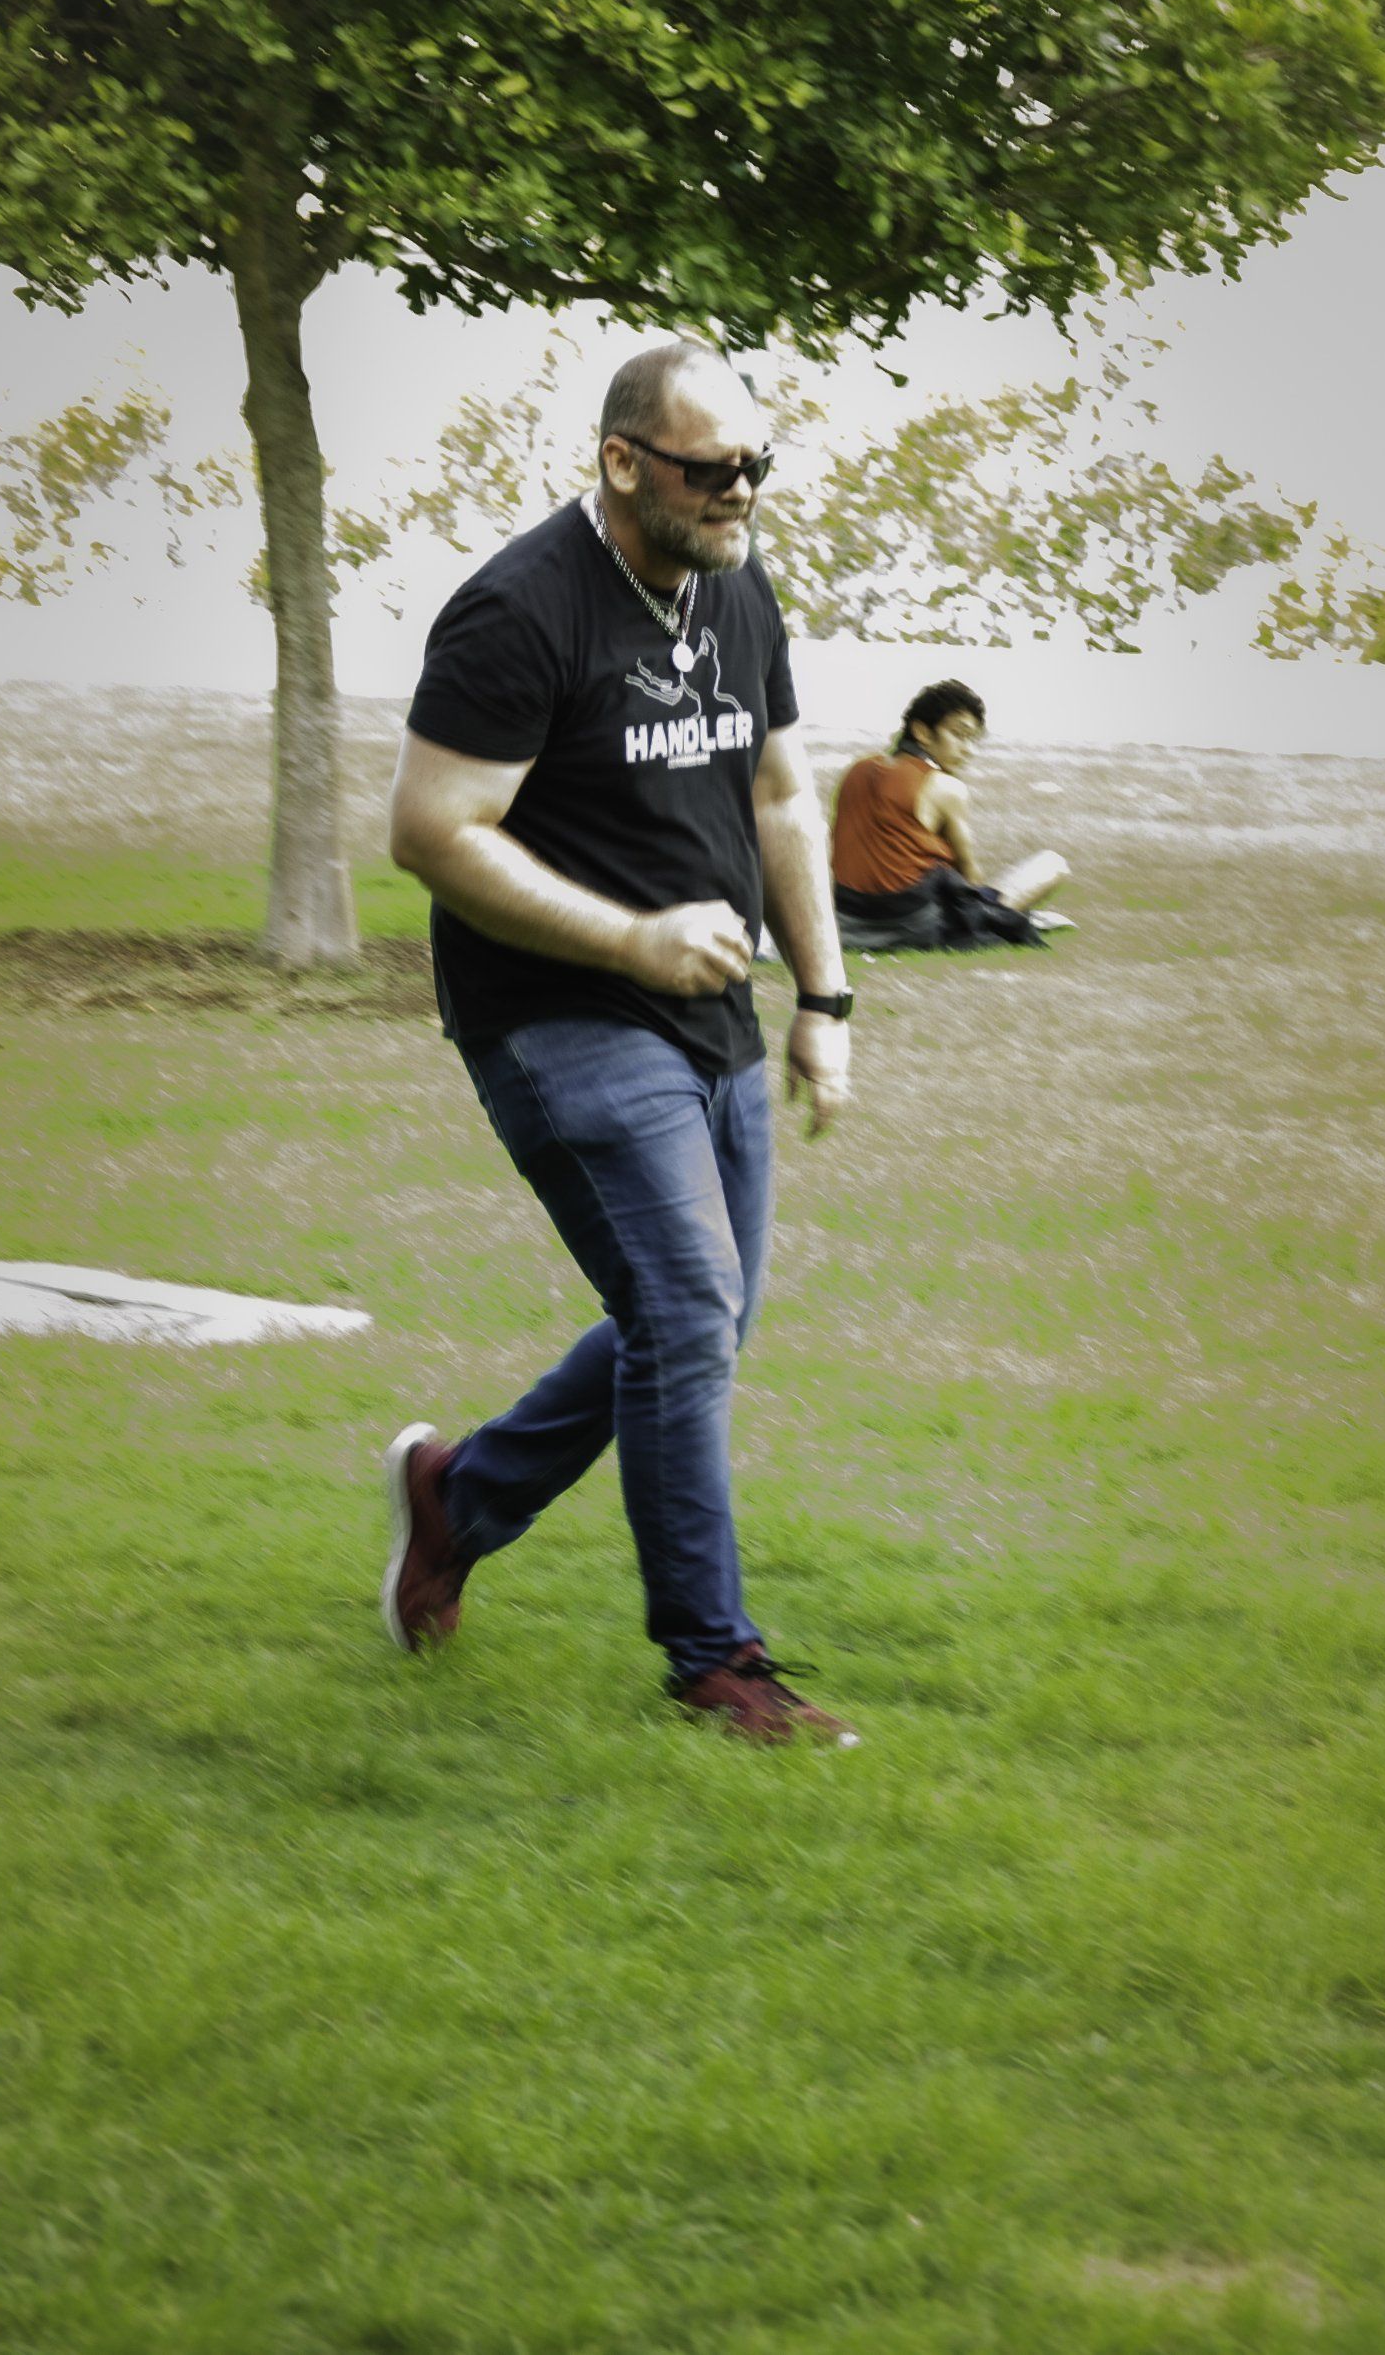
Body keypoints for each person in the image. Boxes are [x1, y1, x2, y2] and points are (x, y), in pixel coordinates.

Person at [381, 340, 858, 1746]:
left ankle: (458, 1499)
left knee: (700, 1319)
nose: (740, 491)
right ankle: (715, 1661)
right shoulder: (518, 611)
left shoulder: (735, 581)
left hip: (711, 1014)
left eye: (756, 465)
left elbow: (781, 795)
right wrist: (633, 940)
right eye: (710, 470)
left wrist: (823, 999)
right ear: (622, 460)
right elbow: (432, 831)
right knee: (689, 1313)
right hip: (558, 1014)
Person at [830, 682, 1070, 954]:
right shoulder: (946, 787)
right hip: (915, 926)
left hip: (846, 922)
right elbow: (969, 877)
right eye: (959, 734)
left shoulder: (857, 770)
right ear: (922, 732)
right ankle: (1019, 918)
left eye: (972, 739)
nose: (968, 750)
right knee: (1053, 865)